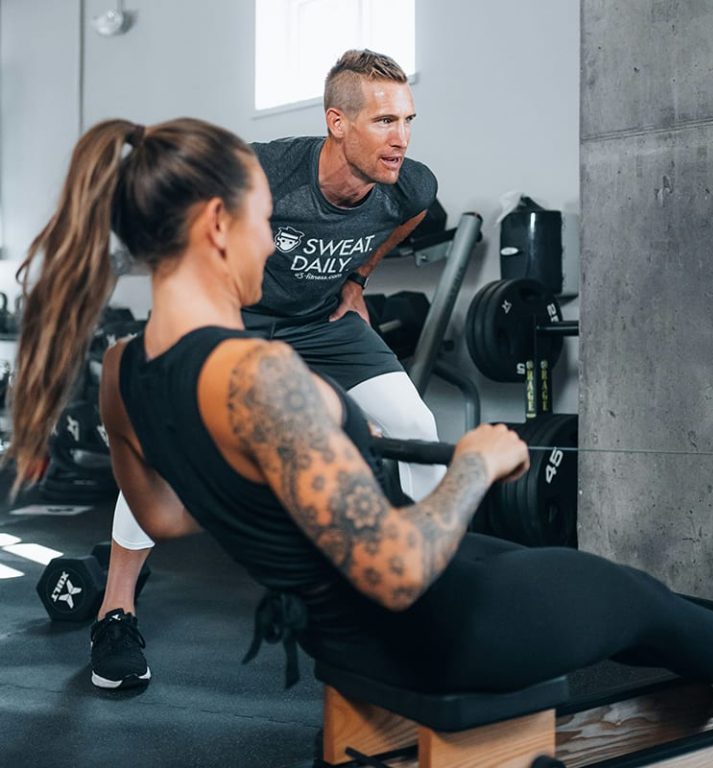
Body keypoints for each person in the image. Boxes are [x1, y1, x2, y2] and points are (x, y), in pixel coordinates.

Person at [10, 117, 713, 708]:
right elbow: (399, 572)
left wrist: (323, 460)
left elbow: (170, 516)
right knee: (636, 600)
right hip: (427, 631)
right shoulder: (259, 376)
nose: (272, 246)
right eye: (264, 222)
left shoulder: (122, 368)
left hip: (335, 636)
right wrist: (473, 466)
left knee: (571, 580)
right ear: (216, 226)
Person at [88, 49, 447, 689]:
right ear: (338, 122)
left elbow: (413, 216)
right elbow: (182, 224)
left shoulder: (410, 184)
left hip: (324, 325)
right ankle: (116, 610)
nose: (402, 139)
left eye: (408, 120)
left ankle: (429, 600)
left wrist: (360, 275)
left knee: (418, 428)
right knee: (164, 448)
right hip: (241, 322)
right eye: (384, 122)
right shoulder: (263, 170)